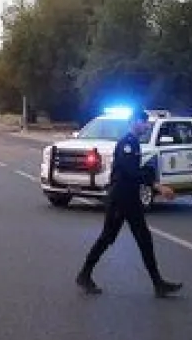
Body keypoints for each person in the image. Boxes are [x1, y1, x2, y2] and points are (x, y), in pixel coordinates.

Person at [76, 109, 184, 298]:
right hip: (120, 199)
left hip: (129, 199)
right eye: (143, 122)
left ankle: (158, 283)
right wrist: (157, 186)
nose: (146, 126)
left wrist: (149, 174)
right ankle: (84, 274)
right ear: (134, 122)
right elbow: (130, 172)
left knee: (144, 240)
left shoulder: (134, 143)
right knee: (108, 238)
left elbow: (135, 172)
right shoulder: (127, 144)